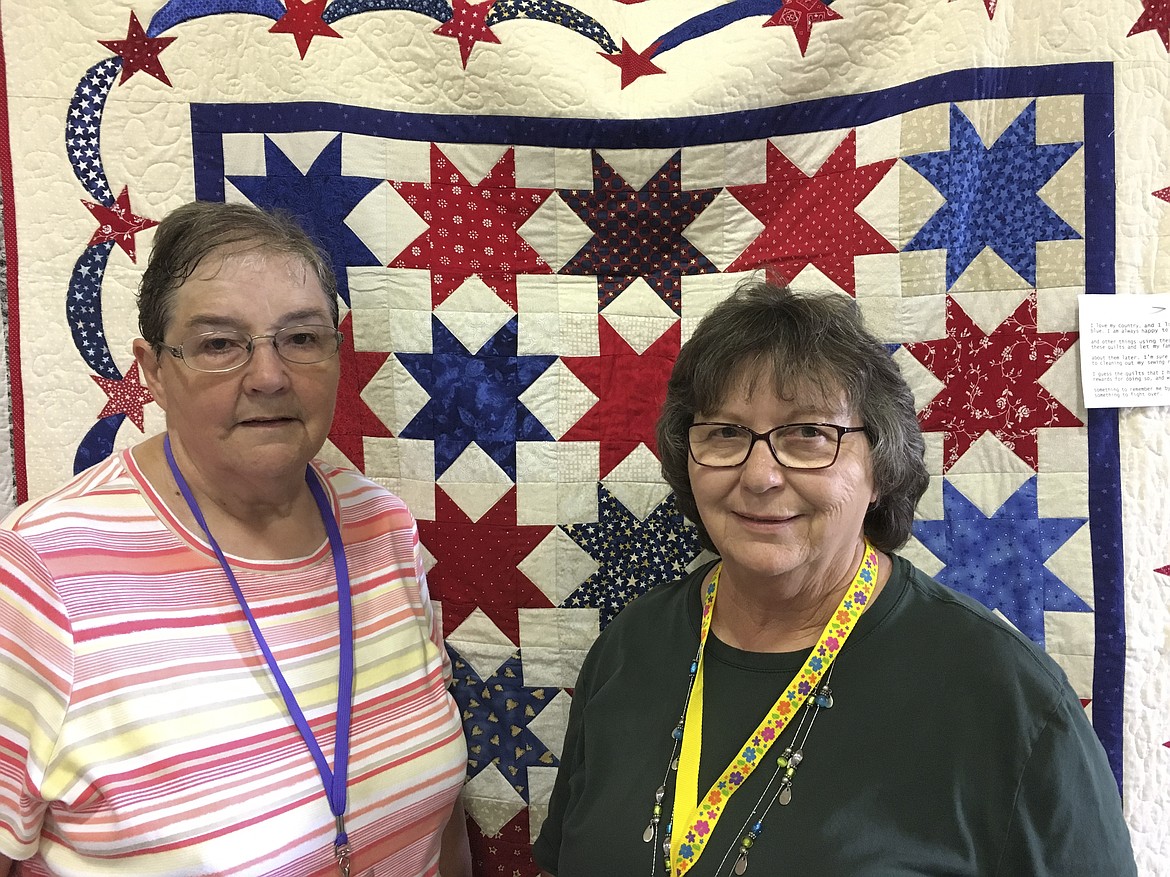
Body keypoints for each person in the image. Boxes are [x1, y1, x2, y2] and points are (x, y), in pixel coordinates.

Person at [532, 282, 1136, 876]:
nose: (760, 475)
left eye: (809, 434)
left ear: (881, 464)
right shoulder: (630, 645)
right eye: (724, 433)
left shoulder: (1009, 699)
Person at [0, 201, 471, 877]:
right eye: (220, 342)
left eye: (301, 338)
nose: (270, 375)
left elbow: (440, 814)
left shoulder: (382, 528)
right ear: (154, 371)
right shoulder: (37, 573)